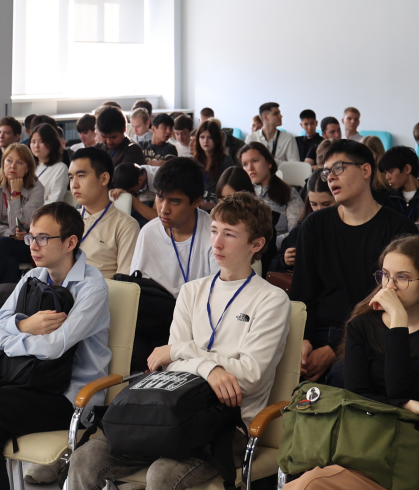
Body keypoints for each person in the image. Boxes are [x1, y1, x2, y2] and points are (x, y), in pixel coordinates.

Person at [68, 193, 290, 490]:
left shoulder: (271, 299)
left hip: (229, 425)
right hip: (170, 412)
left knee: (162, 474)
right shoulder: (191, 291)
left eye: (229, 234)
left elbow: (249, 376)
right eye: (214, 231)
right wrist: (210, 369)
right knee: (85, 459)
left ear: (257, 244)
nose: (216, 243)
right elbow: (169, 366)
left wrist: (181, 350)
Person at [286, 236, 419, 490]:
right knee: (308, 483)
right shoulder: (362, 326)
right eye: (385, 275)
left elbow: (400, 388)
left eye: (402, 277)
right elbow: (356, 396)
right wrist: (406, 405)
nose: (389, 286)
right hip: (360, 445)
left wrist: (398, 320)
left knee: (309, 485)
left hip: (413, 455)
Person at [0, 201, 109, 490]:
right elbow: (1, 323)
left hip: (71, 399)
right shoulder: (33, 277)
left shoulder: (92, 289)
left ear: (70, 242)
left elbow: (53, 347)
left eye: (43, 238)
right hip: (27, 383)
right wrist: (26, 326)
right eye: (31, 237)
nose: (33, 246)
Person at [292, 141, 416, 380]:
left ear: (365, 170)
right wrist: (303, 341)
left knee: (341, 377)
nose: (330, 177)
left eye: (338, 168)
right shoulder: (314, 225)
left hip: (372, 331)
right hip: (318, 330)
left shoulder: (399, 229)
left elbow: (397, 300)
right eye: (326, 172)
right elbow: (302, 293)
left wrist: (334, 349)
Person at [130, 158, 215, 295]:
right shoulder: (148, 233)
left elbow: (220, 293)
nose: (164, 210)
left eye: (175, 201)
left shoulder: (215, 235)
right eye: (160, 197)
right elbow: (136, 289)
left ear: (196, 202)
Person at [67, 147, 138, 279]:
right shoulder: (67, 220)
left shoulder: (125, 225)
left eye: (81, 176)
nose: (74, 185)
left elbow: (124, 282)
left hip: (101, 291)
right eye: (71, 177)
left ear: (104, 179)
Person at [0, 143, 45, 287]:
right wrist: (11, 234)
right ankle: (6, 298)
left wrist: (15, 195)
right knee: (10, 260)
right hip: (0, 241)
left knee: (3, 245)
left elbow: (22, 225)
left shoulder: (36, 188)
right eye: (9, 161)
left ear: (28, 168)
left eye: (20, 163)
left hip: (28, 242)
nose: (13, 166)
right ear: (3, 164)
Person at [238, 141, 304, 235]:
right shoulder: (240, 193)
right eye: (245, 164)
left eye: (255, 161)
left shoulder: (288, 193)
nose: (250, 168)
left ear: (269, 163)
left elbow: (296, 232)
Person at [279, 178, 336, 269]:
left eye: (326, 204)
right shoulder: (300, 230)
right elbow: (274, 264)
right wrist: (284, 260)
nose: (319, 210)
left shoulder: (346, 229)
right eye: (314, 204)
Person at [376, 146, 419, 219]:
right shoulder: (387, 198)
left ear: (407, 169)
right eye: (385, 173)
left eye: (391, 172)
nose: (387, 177)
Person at [30, 122, 69, 204]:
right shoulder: (28, 166)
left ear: (52, 143)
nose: (36, 146)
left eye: (41, 141)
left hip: (46, 211)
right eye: (33, 142)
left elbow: (53, 201)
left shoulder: (60, 168)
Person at [192, 119, 230, 186]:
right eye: (202, 137)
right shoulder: (194, 160)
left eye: (210, 137)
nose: (205, 141)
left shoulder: (226, 161)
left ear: (217, 139)